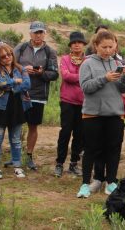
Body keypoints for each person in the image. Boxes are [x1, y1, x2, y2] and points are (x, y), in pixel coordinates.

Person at [76, 31, 125, 198]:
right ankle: (86, 184)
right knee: (92, 150)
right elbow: (85, 87)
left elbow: (123, 89)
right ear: (96, 46)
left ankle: (111, 182)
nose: (108, 50)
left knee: (113, 149)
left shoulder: (117, 62)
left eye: (111, 46)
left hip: (115, 113)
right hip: (93, 114)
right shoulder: (87, 63)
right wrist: (105, 78)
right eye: (104, 47)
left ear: (115, 46)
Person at [14, 21, 59, 170]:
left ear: (45, 33)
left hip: (38, 94)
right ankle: (15, 155)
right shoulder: (20, 48)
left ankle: (29, 155)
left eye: (41, 32)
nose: (38, 35)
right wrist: (23, 69)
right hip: (20, 92)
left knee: (33, 126)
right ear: (30, 33)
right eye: (35, 32)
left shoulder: (50, 52)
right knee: (16, 124)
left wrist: (41, 73)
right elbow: (10, 65)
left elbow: (54, 74)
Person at [0, 44, 31, 179]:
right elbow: (0, 83)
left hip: (17, 108)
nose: (7, 58)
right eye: (3, 56)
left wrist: (12, 87)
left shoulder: (20, 68)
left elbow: (27, 84)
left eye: (9, 54)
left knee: (16, 140)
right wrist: (15, 81)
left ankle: (17, 166)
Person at [55, 31, 87, 177]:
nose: (76, 45)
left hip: (83, 102)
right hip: (67, 101)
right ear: (70, 45)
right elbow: (66, 76)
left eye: (79, 42)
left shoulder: (88, 61)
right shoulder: (65, 59)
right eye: (74, 43)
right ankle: (59, 163)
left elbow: (89, 78)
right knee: (65, 132)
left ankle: (74, 163)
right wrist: (82, 77)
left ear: (84, 45)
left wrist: (80, 77)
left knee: (79, 134)